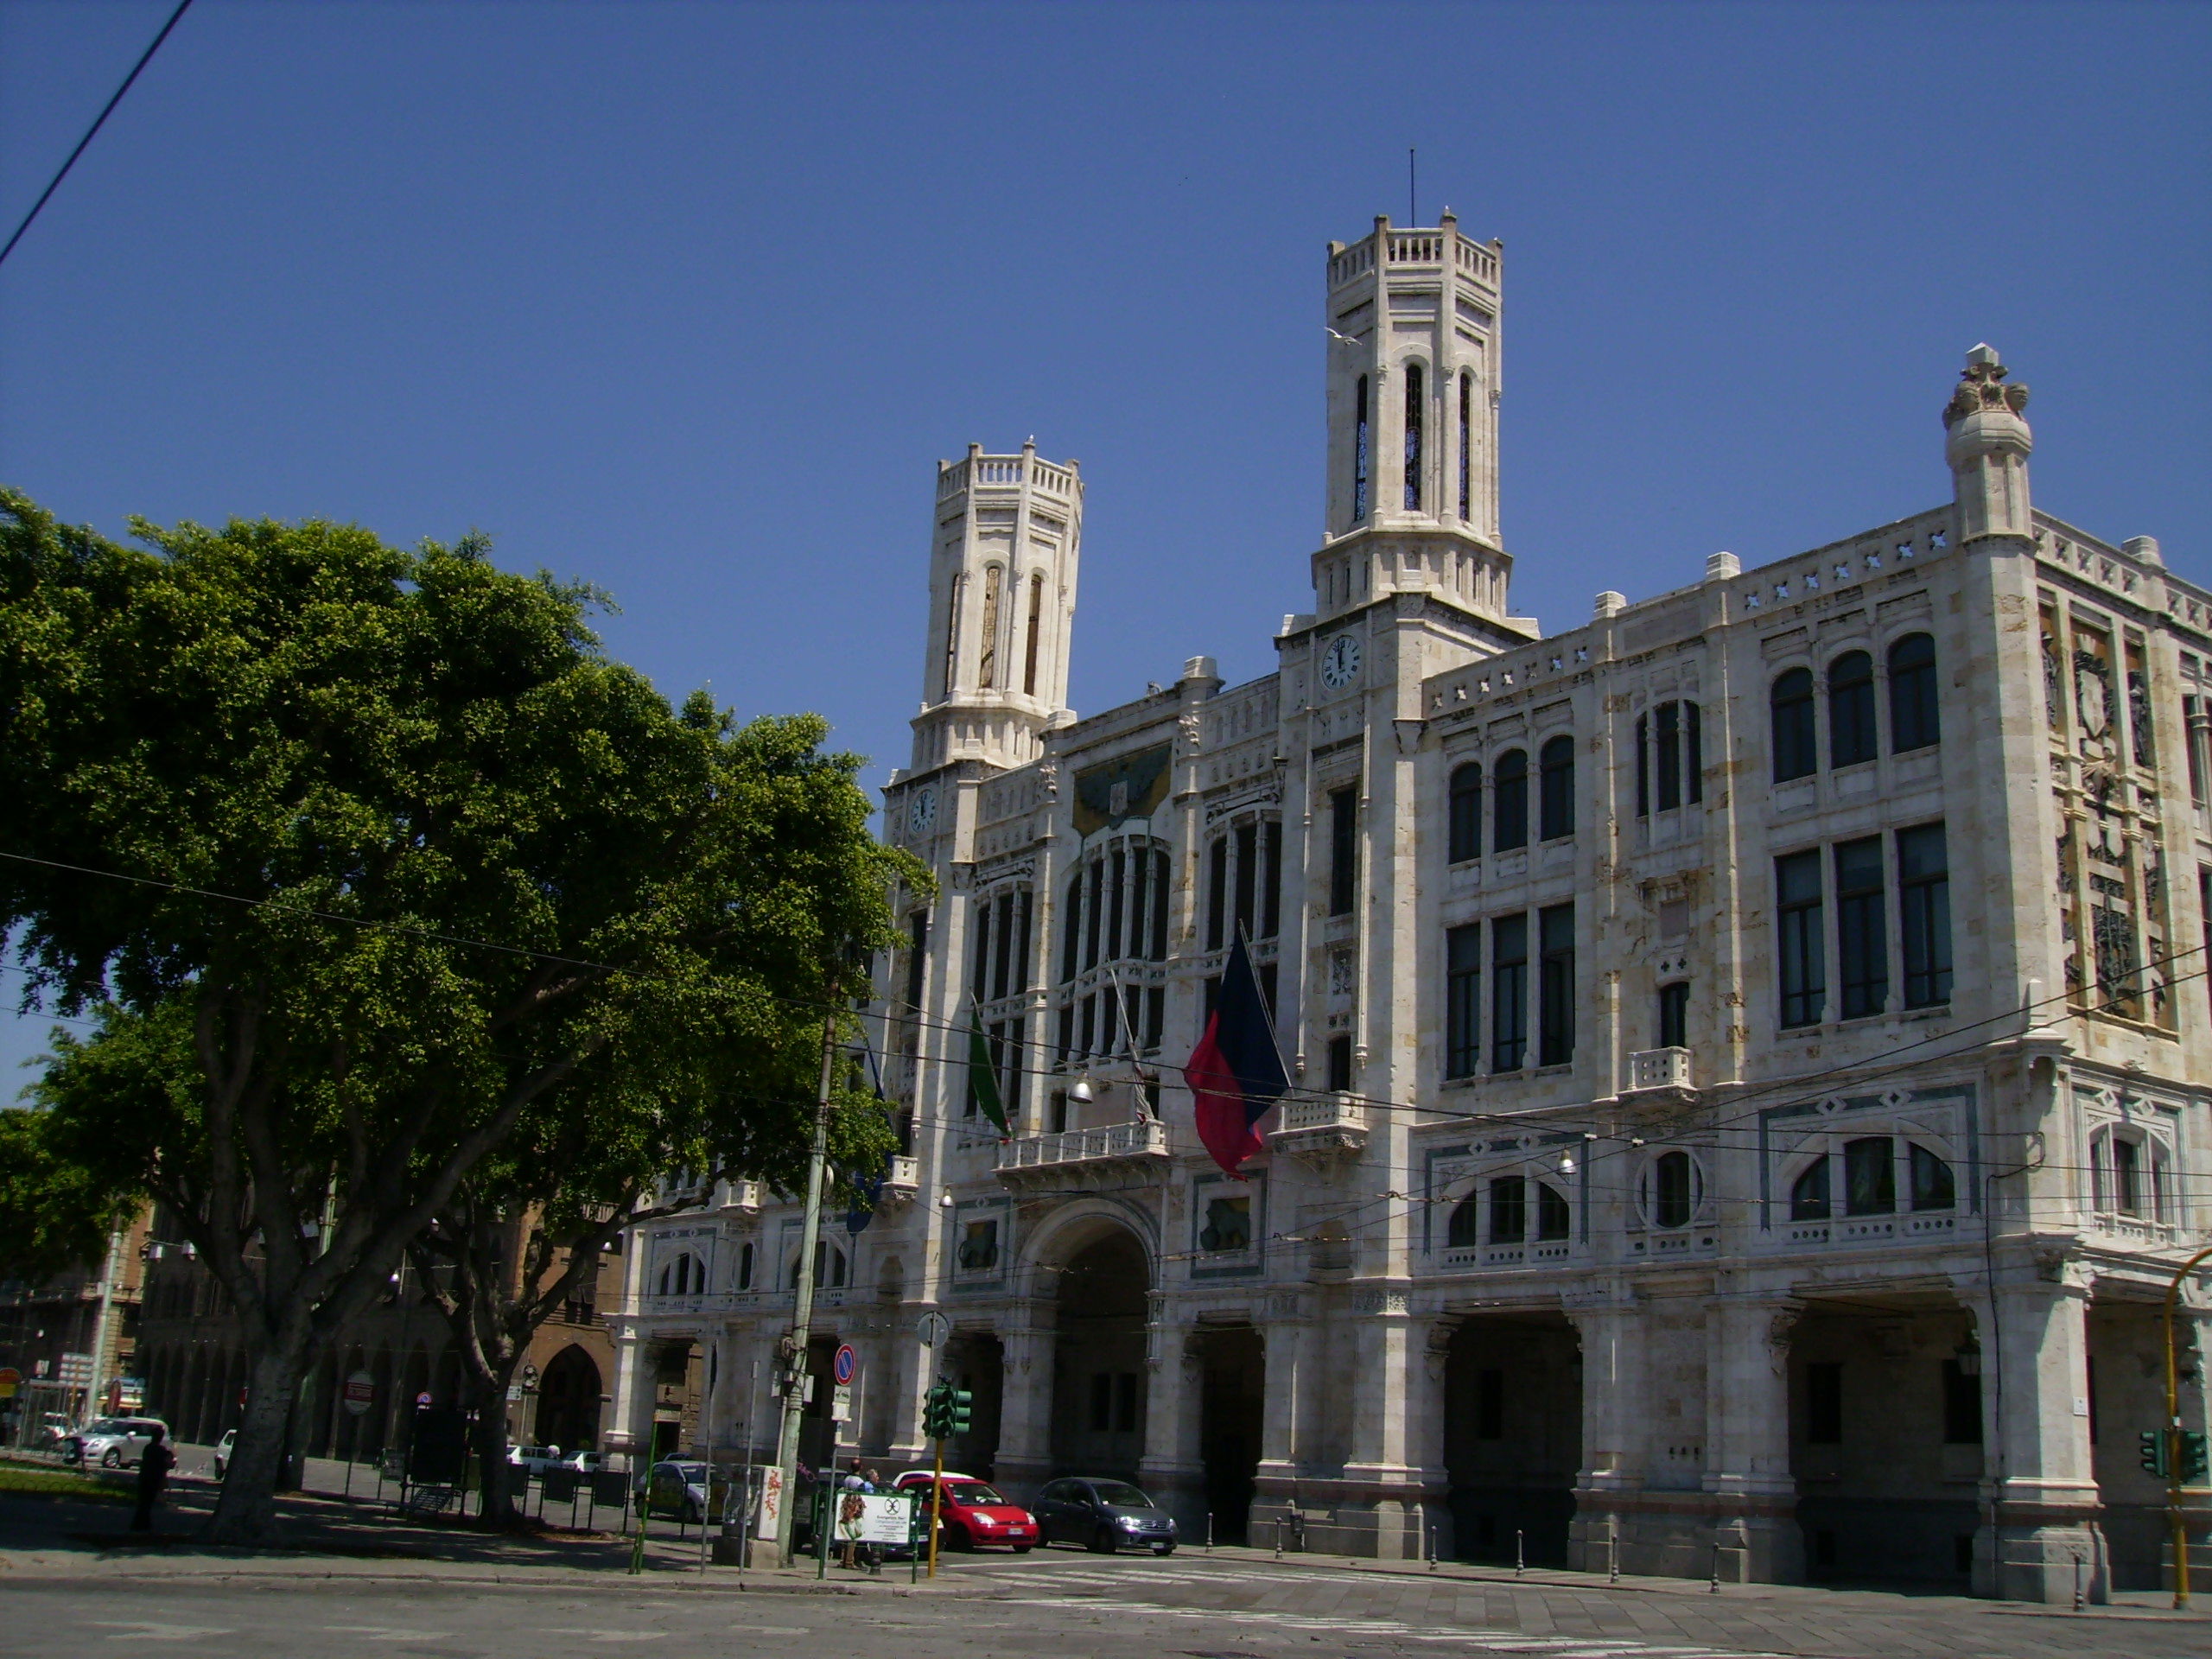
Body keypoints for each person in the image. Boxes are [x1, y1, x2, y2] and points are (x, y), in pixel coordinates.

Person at [131, 1425, 175, 1533]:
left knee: (143, 1501)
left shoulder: (148, 1448)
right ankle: (143, 1523)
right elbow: (167, 1464)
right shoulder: (161, 1450)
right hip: (154, 1478)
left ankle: (140, 1522)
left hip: (145, 1477)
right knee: (148, 1502)